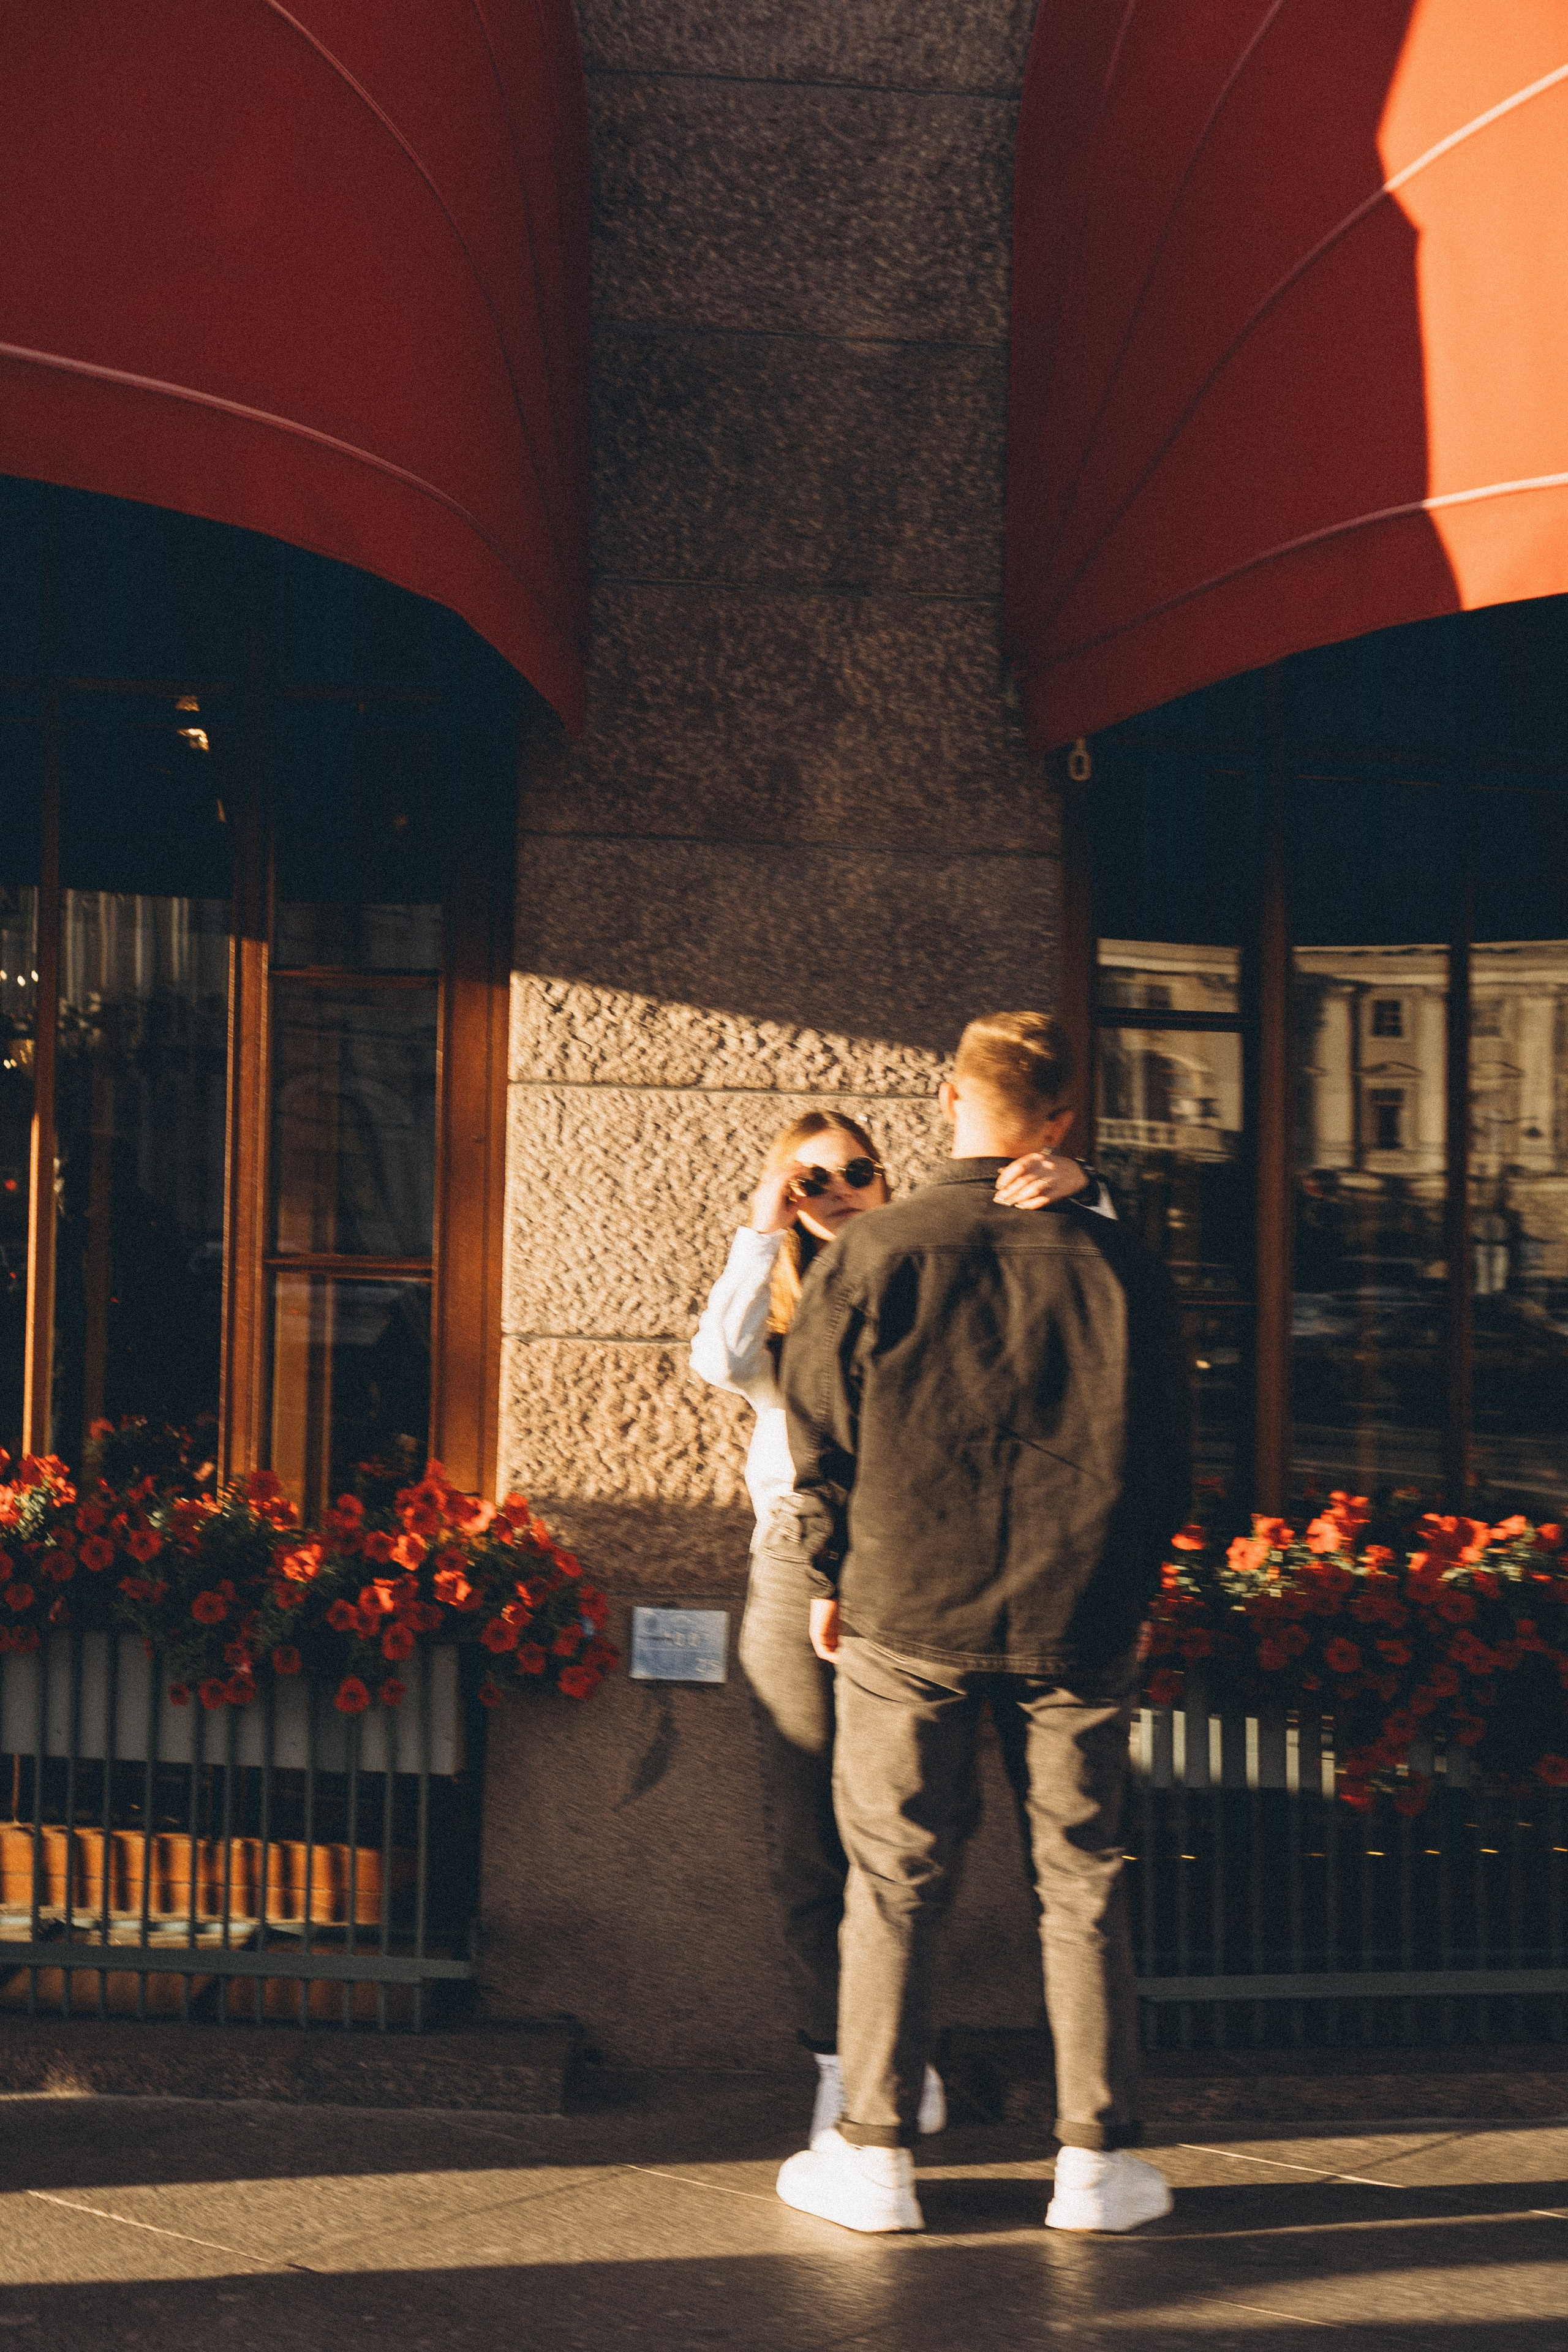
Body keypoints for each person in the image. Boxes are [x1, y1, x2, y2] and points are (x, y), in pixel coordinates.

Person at [769, 1014, 1190, 2237]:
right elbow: (1166, 1456)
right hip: (1078, 1615)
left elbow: (817, 1440)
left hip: (907, 1611)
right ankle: (1094, 2164)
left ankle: (875, 2155)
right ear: (1060, 1120)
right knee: (1083, 1884)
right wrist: (1131, 1588)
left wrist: (828, 1573)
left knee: (892, 1880)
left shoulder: (878, 1248)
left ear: (948, 1093)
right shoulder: (1118, 1259)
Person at [690, 1109, 1105, 2149]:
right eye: (809, 1181)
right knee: (804, 1836)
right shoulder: (779, 1318)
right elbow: (716, 1357)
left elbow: (1063, 1310)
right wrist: (758, 1228)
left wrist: (1088, 1193)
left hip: (913, 1555)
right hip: (796, 1563)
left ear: (887, 1181)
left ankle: (896, 2061)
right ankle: (844, 2066)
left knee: (910, 1829)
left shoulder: (925, 1271)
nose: (834, 1193)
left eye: (855, 1173)